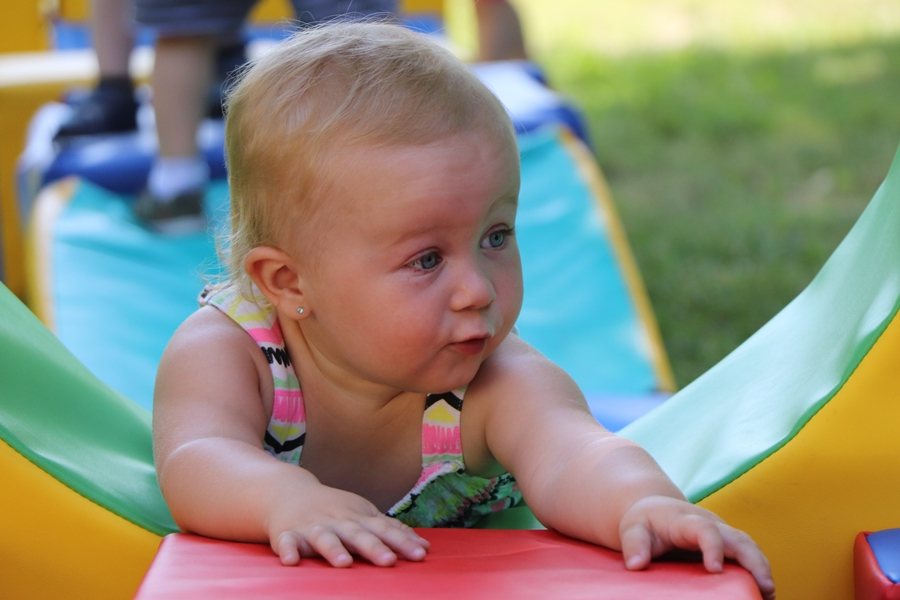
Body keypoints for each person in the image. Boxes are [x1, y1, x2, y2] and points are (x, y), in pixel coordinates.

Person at [151, 22, 775, 599]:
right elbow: (197, 457)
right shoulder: (233, 351)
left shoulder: (495, 380)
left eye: (496, 236)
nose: (477, 288)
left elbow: (577, 454)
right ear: (288, 283)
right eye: (426, 260)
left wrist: (642, 505)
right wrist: (285, 500)